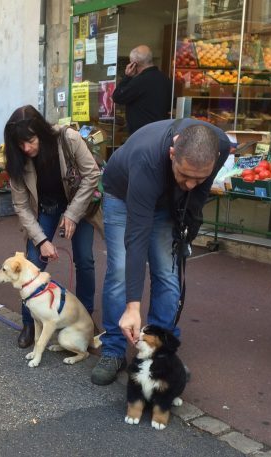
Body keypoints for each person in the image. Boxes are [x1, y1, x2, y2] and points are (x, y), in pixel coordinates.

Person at [91, 119, 230, 385]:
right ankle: (113, 349)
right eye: (185, 175)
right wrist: (133, 306)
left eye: (198, 178)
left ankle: (156, 350)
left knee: (167, 272)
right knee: (120, 269)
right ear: (172, 153)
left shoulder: (221, 145)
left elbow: (197, 196)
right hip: (122, 195)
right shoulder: (148, 158)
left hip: (168, 201)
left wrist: (188, 229)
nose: (190, 183)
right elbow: (137, 236)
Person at [3, 105, 101, 348]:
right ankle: (28, 322)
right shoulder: (16, 160)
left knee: (85, 259)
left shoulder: (69, 138)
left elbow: (92, 174)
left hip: (79, 204)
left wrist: (73, 214)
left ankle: (85, 317)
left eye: (31, 141)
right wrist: (41, 239)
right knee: (34, 261)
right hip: (44, 207)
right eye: (20, 145)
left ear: (42, 132)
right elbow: (21, 206)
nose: (27, 148)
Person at [112, 45, 171, 135]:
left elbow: (117, 97)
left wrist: (127, 77)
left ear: (134, 64)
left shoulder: (139, 81)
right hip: (161, 132)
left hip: (141, 133)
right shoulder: (165, 79)